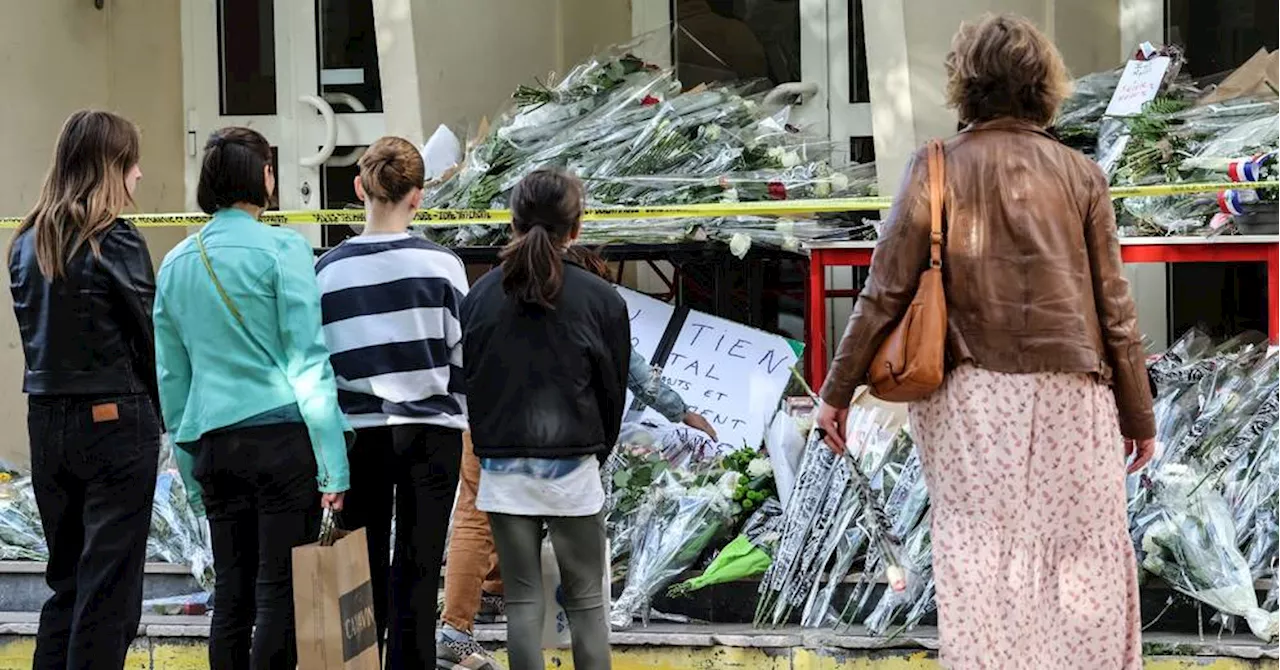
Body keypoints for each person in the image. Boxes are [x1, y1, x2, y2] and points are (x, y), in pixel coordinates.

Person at [813, 15, 1155, 669]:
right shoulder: (1083, 175)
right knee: (1079, 569)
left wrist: (836, 392)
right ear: (1043, 86)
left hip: (971, 396)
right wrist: (1139, 416)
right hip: (1073, 394)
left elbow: (883, 292)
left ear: (965, 85)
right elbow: (1117, 311)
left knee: (984, 566)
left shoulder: (935, 167)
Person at [436, 244, 716, 670]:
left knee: (477, 520)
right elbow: (633, 373)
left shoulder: (493, 291)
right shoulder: (591, 301)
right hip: (557, 437)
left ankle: (462, 621)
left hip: (487, 424)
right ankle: (484, 616)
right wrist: (682, 412)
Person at [154, 127, 351, 670]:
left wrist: (190, 468)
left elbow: (173, 376)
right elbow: (308, 361)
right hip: (281, 441)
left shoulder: (176, 262)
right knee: (278, 596)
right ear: (262, 177)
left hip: (214, 445)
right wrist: (334, 466)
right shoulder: (284, 247)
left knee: (232, 600)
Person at [8, 110, 160, 670]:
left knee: (67, 585)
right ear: (109, 167)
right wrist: (167, 423)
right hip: (115, 420)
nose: (140, 175)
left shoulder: (27, 240)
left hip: (46, 421)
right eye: (131, 162)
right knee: (109, 594)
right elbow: (149, 339)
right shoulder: (112, 240)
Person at [461, 169, 627, 670]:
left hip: (504, 467)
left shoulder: (481, 297)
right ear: (574, 229)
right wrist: (596, 448)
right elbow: (612, 388)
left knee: (522, 601)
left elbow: (472, 381)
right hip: (573, 466)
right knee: (587, 603)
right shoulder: (602, 300)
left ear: (512, 224)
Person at [315, 136, 469, 667]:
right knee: (421, 571)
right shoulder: (443, 267)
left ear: (359, 188)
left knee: (363, 574)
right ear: (418, 197)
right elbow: (460, 355)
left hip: (359, 432)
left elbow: (322, 364)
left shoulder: (327, 271)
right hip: (432, 432)